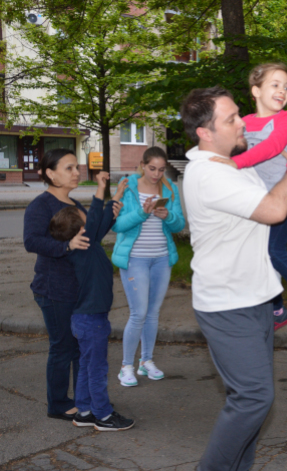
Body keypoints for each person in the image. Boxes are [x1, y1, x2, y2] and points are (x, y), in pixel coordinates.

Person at [180, 86, 287, 471]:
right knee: (253, 398)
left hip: (256, 299)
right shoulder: (208, 174)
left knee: (252, 404)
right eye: (231, 119)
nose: (242, 123)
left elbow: (270, 201)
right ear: (205, 132)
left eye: (239, 113)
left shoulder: (235, 166)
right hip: (227, 305)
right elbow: (272, 208)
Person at [209, 62, 287, 335]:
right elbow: (225, 148)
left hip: (283, 199)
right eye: (275, 84)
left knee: (273, 250)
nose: (282, 91)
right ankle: (277, 309)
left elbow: (271, 147)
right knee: (253, 255)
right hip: (255, 202)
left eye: (286, 86)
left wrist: (234, 164)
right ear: (256, 90)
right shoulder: (244, 123)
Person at [23, 149, 114, 421]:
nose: (77, 172)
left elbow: (90, 237)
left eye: (77, 167)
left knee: (79, 349)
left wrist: (112, 214)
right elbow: (32, 241)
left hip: (77, 289)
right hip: (54, 291)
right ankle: (59, 403)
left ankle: (82, 400)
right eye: (69, 168)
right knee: (63, 347)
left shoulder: (75, 203)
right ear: (50, 174)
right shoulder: (40, 205)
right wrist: (66, 245)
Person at [49, 172, 135, 431]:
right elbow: (97, 216)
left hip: (83, 318)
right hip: (92, 319)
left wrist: (114, 195)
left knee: (86, 365)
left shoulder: (84, 245)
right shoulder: (85, 245)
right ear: (82, 230)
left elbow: (98, 218)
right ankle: (103, 415)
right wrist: (100, 189)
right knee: (96, 368)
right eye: (85, 217)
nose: (90, 217)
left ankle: (84, 410)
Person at [111, 147, 185, 387]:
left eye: (161, 169)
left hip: (161, 259)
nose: (156, 174)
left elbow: (179, 224)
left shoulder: (170, 188)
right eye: (152, 168)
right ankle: (126, 367)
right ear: (142, 165)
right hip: (135, 260)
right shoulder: (127, 187)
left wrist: (167, 216)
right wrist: (143, 214)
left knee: (152, 313)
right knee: (138, 313)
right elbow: (117, 225)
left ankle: (146, 361)